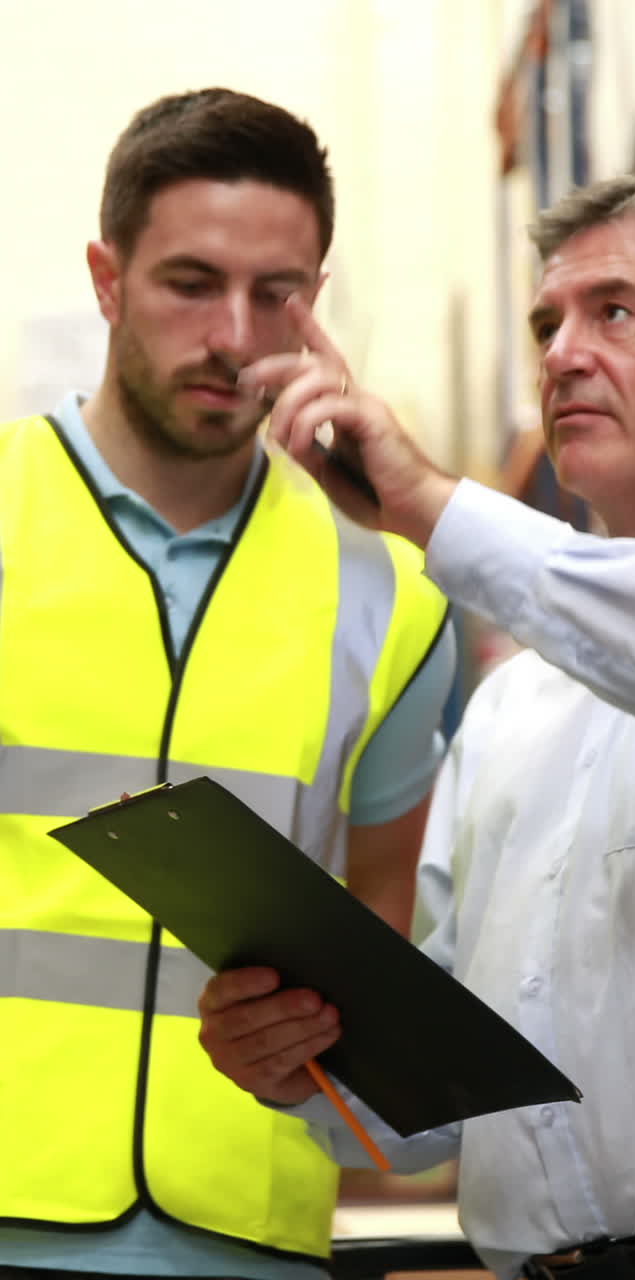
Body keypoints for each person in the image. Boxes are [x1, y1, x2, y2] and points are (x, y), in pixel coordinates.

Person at [197, 175, 635, 1280]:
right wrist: (311, 1062)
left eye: (616, 311)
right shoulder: (517, 706)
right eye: (548, 323)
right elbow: (451, 1094)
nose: (564, 354)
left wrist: (430, 505)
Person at [0, 89, 455, 1280]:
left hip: (246, 1231)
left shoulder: (393, 597)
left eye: (279, 293)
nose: (235, 335)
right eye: (190, 282)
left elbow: (394, 942)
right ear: (107, 279)